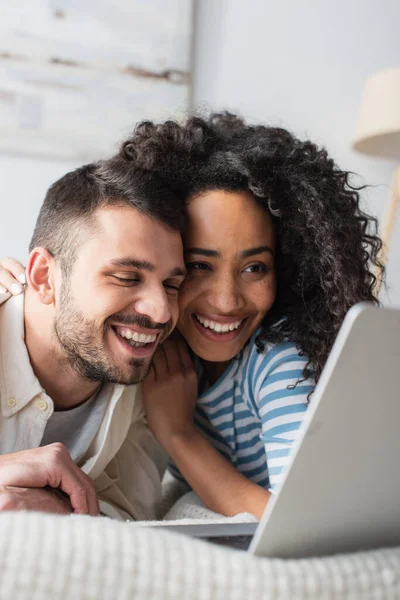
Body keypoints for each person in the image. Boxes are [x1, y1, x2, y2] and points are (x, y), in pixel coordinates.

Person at [1, 113, 383, 520]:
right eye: (199, 266)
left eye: (255, 267)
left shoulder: (164, 366)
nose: (224, 301)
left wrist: (178, 433)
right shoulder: (154, 353)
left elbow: (305, 524)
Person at [0, 158, 186, 519]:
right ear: (43, 277)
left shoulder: (153, 379)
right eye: (127, 277)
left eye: (172, 285)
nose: (161, 312)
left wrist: (55, 509)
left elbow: (128, 513)